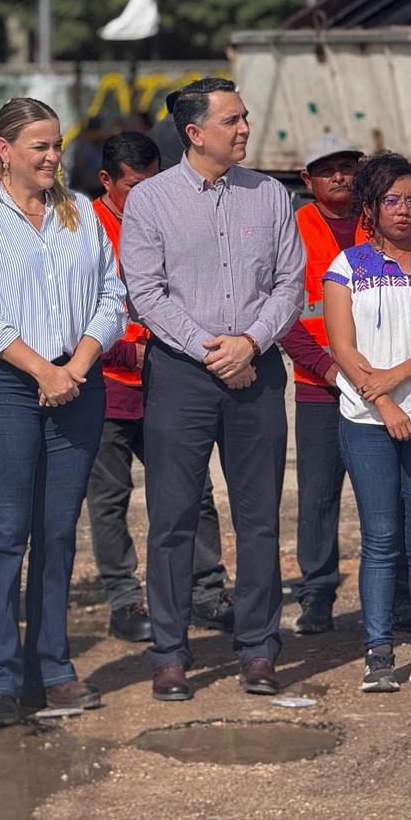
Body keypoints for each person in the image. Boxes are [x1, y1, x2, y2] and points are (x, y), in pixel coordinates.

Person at [0, 97, 127, 727]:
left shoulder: (78, 212)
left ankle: (50, 668)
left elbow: (112, 294)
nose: (53, 157)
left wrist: (74, 366)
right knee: (6, 531)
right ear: (4, 148)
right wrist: (42, 370)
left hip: (76, 381)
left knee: (56, 531)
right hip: (2, 383)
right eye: (40, 147)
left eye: (56, 146)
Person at [122, 77, 304, 701]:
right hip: (181, 373)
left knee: (258, 518)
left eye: (245, 117)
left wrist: (249, 344)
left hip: (256, 370)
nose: (245, 129)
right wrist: (212, 351)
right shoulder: (150, 203)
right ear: (195, 133)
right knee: (172, 518)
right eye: (232, 120)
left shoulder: (272, 195)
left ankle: (258, 648)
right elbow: (146, 292)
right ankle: (170, 653)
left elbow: (290, 284)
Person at [324, 152, 411, 693]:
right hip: (365, 421)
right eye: (391, 201)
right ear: (371, 206)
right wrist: (382, 401)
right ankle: (378, 651)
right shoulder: (347, 268)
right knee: (381, 540)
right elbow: (342, 346)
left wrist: (394, 379)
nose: (404, 211)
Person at [85, 131, 233, 643]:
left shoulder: (172, 215)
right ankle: (125, 598)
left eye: (152, 182)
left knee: (196, 489)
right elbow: (78, 315)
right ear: (106, 181)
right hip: (106, 386)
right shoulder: (85, 228)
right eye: (133, 186)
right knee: (110, 496)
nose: (145, 194)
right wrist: (131, 352)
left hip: (169, 382)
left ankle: (207, 591)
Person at [277, 133, 366, 636]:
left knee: (386, 494)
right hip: (320, 385)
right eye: (326, 169)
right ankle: (318, 595)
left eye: (346, 167)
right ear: (306, 180)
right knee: (317, 496)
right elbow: (286, 314)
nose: (338, 176)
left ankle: (395, 594)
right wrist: (329, 370)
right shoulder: (293, 230)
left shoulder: (383, 223)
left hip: (380, 384)